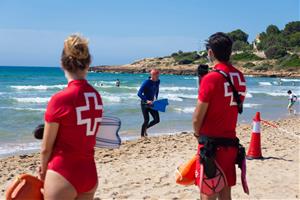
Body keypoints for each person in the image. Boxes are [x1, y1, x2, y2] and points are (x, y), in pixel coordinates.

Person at [39, 34, 103, 200]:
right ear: (88, 63)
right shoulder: (96, 97)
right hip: (89, 173)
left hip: (63, 171)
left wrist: (43, 170)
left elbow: (46, 148)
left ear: (62, 63)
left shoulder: (60, 99)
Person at [192, 32, 246, 200]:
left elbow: (197, 118)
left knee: (208, 190)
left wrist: (196, 133)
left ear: (210, 53)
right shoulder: (240, 77)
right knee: (225, 191)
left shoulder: (211, 78)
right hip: (230, 142)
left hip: (210, 144)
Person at [137, 69, 160, 137]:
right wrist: (147, 100)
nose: (158, 77)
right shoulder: (146, 82)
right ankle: (142, 136)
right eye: (157, 75)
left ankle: (145, 129)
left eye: (158, 75)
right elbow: (139, 93)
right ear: (152, 75)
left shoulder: (158, 81)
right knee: (146, 120)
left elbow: (157, 89)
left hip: (152, 103)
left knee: (157, 120)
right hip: (145, 103)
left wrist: (156, 98)